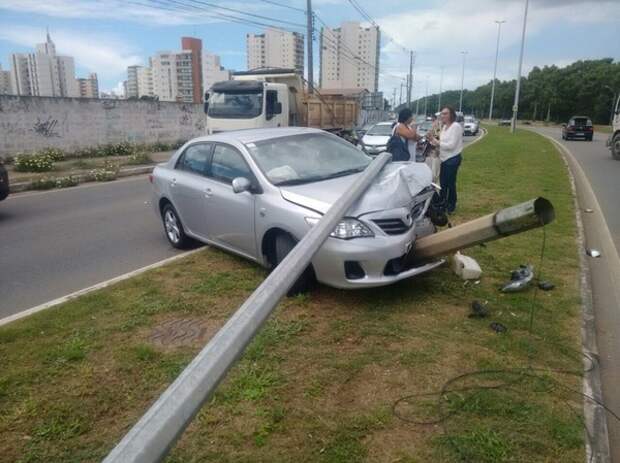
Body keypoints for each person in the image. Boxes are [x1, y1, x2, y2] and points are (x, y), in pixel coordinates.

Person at [428, 105, 463, 214]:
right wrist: (432, 141)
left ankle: (451, 204)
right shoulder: (444, 127)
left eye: (445, 113)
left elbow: (451, 145)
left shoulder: (455, 126)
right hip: (444, 159)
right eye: (442, 113)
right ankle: (443, 204)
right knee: (443, 183)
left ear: (451, 115)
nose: (442, 115)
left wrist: (436, 141)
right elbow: (442, 143)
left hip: (452, 159)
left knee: (450, 183)